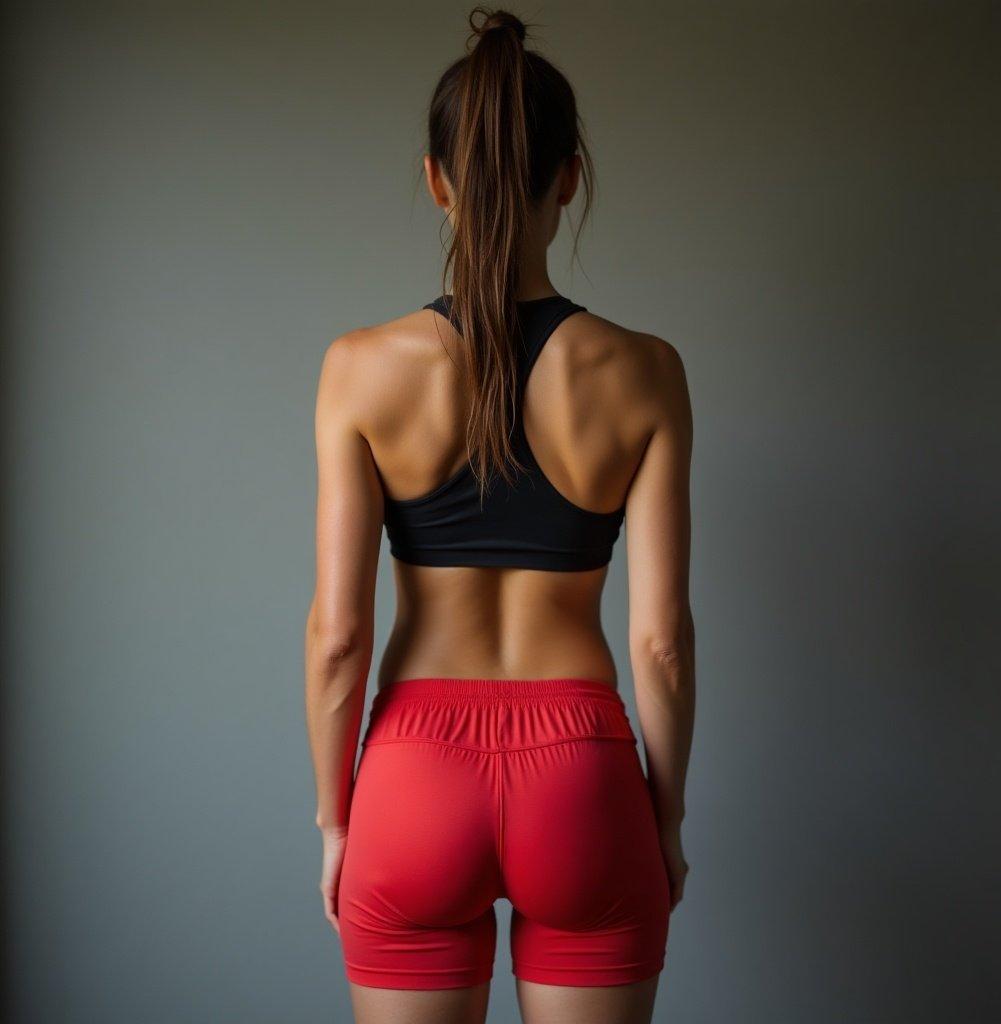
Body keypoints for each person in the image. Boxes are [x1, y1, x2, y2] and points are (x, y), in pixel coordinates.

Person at [305, 8, 695, 1023]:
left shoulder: (356, 370)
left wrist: (336, 822)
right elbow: (658, 643)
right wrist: (664, 814)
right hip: (584, 777)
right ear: (568, 175)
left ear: (435, 178)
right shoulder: (645, 372)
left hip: (411, 775)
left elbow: (337, 639)